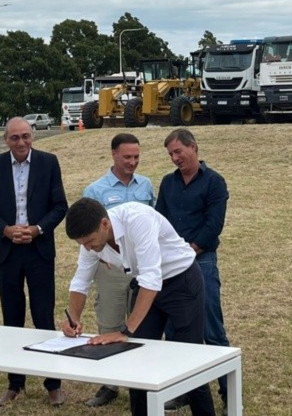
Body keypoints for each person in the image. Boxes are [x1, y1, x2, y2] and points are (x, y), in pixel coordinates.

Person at [62, 198, 216, 416]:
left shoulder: (138, 218)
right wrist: (74, 318)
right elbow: (81, 280)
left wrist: (126, 331)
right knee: (137, 364)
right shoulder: (90, 241)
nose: (87, 247)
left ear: (105, 224)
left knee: (190, 361)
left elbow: (152, 278)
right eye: (82, 244)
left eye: (90, 241)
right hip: (146, 285)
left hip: (181, 281)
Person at [0, 117, 68, 408]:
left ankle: (52, 384)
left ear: (33, 137)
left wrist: (37, 229)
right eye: (14, 138)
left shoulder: (48, 162)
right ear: (5, 140)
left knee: (44, 318)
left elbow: (60, 206)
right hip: (7, 252)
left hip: (39, 250)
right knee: (11, 320)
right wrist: (5, 229)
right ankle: (15, 384)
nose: (21, 143)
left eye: (26, 137)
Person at [155, 128, 230, 413]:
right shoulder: (167, 183)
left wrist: (191, 249)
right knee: (176, 332)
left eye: (178, 152)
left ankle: (228, 392)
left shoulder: (214, 182)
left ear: (194, 147)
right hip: (172, 267)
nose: (175, 158)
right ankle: (184, 391)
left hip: (202, 261)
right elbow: (159, 220)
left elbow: (214, 224)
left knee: (212, 331)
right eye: (170, 154)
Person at [80, 133, 155, 408]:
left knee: (143, 324)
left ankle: (144, 381)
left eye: (136, 157)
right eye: (127, 157)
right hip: (110, 269)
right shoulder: (95, 191)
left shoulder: (146, 185)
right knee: (110, 323)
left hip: (141, 267)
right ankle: (109, 384)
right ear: (113, 154)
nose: (132, 162)